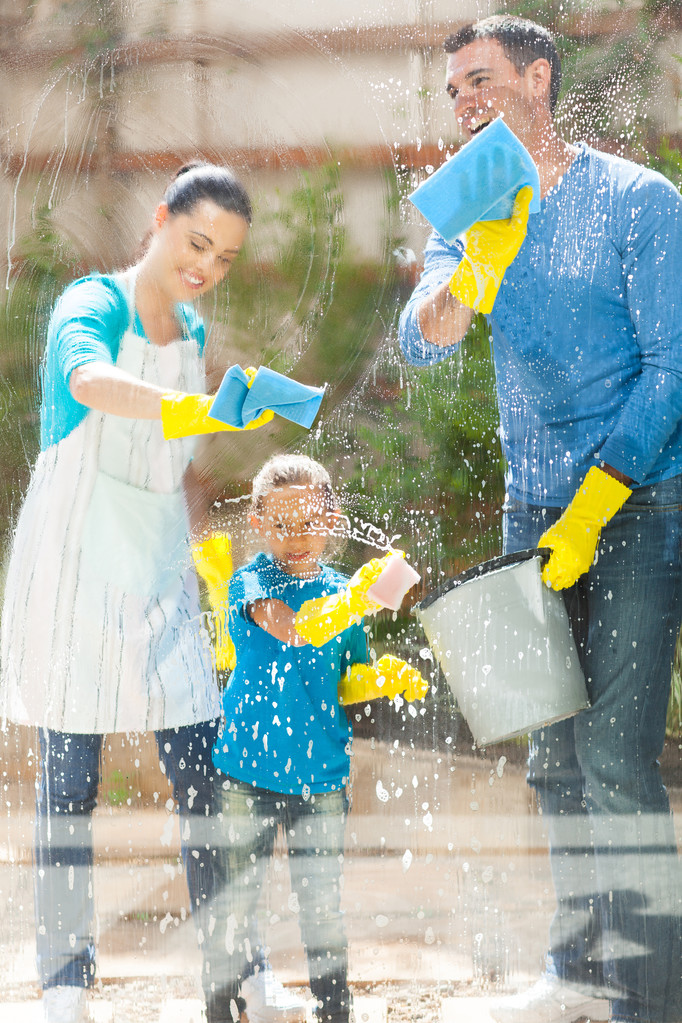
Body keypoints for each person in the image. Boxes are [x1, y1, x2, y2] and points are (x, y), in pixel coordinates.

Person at [399, 15, 682, 1023]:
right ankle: (575, 976)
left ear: (538, 77)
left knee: (613, 758)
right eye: (453, 93)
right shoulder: (469, 214)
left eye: (479, 81)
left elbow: (671, 368)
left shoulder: (640, 201)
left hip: (639, 506)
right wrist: (469, 273)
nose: (464, 102)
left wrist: (603, 492)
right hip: (532, 512)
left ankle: (650, 1000)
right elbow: (422, 340)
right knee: (552, 759)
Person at [0, 161, 285, 1023]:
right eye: (196, 242)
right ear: (160, 221)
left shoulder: (191, 328)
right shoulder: (92, 304)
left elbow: (175, 467)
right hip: (75, 563)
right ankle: (63, 982)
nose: (205, 266)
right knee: (68, 783)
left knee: (204, 773)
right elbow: (87, 381)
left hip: (156, 560)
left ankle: (241, 970)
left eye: (225, 256)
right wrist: (183, 410)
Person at [201, 454, 428, 1023]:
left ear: (331, 520)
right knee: (235, 904)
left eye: (306, 523)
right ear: (257, 522)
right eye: (280, 526)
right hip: (246, 776)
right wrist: (353, 600)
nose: (294, 537)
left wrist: (379, 678)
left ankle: (335, 1011)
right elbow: (290, 627)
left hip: (321, 778)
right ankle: (217, 1009)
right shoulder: (250, 582)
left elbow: (341, 679)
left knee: (321, 905)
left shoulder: (340, 594)